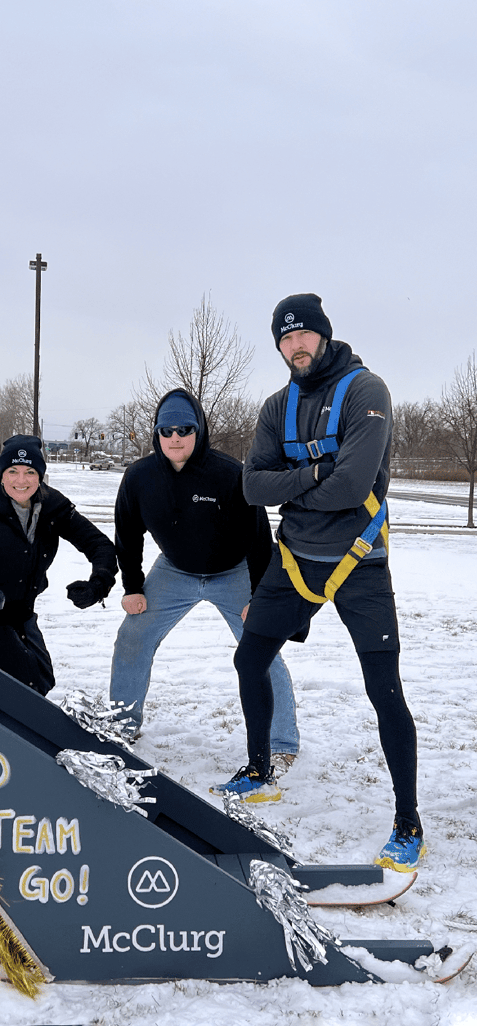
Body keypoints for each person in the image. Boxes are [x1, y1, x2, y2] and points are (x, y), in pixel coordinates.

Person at [212, 293, 423, 872]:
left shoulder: (365, 391)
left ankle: (408, 822)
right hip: (296, 562)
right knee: (248, 660)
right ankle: (260, 769)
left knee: (385, 691)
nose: (295, 346)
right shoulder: (275, 405)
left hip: (359, 563)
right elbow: (251, 488)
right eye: (285, 338)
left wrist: (295, 480)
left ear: (323, 336)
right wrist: (317, 473)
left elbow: (354, 486)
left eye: (304, 335)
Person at [109, 389, 299, 762]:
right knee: (132, 634)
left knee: (262, 646)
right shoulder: (139, 477)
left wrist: (258, 599)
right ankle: (120, 724)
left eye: (184, 428)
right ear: (156, 434)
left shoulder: (229, 475)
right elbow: (127, 533)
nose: (175, 437)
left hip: (235, 571)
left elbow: (260, 540)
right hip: (175, 570)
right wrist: (132, 586)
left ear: (199, 430)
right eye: (167, 430)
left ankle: (281, 742)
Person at [0, 435, 117, 693]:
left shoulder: (53, 508)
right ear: (1, 475)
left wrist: (98, 584)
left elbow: (99, 544)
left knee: (41, 680)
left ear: (41, 476)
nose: (21, 480)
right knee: (13, 684)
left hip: (19, 611)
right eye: (12, 471)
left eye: (30, 471)